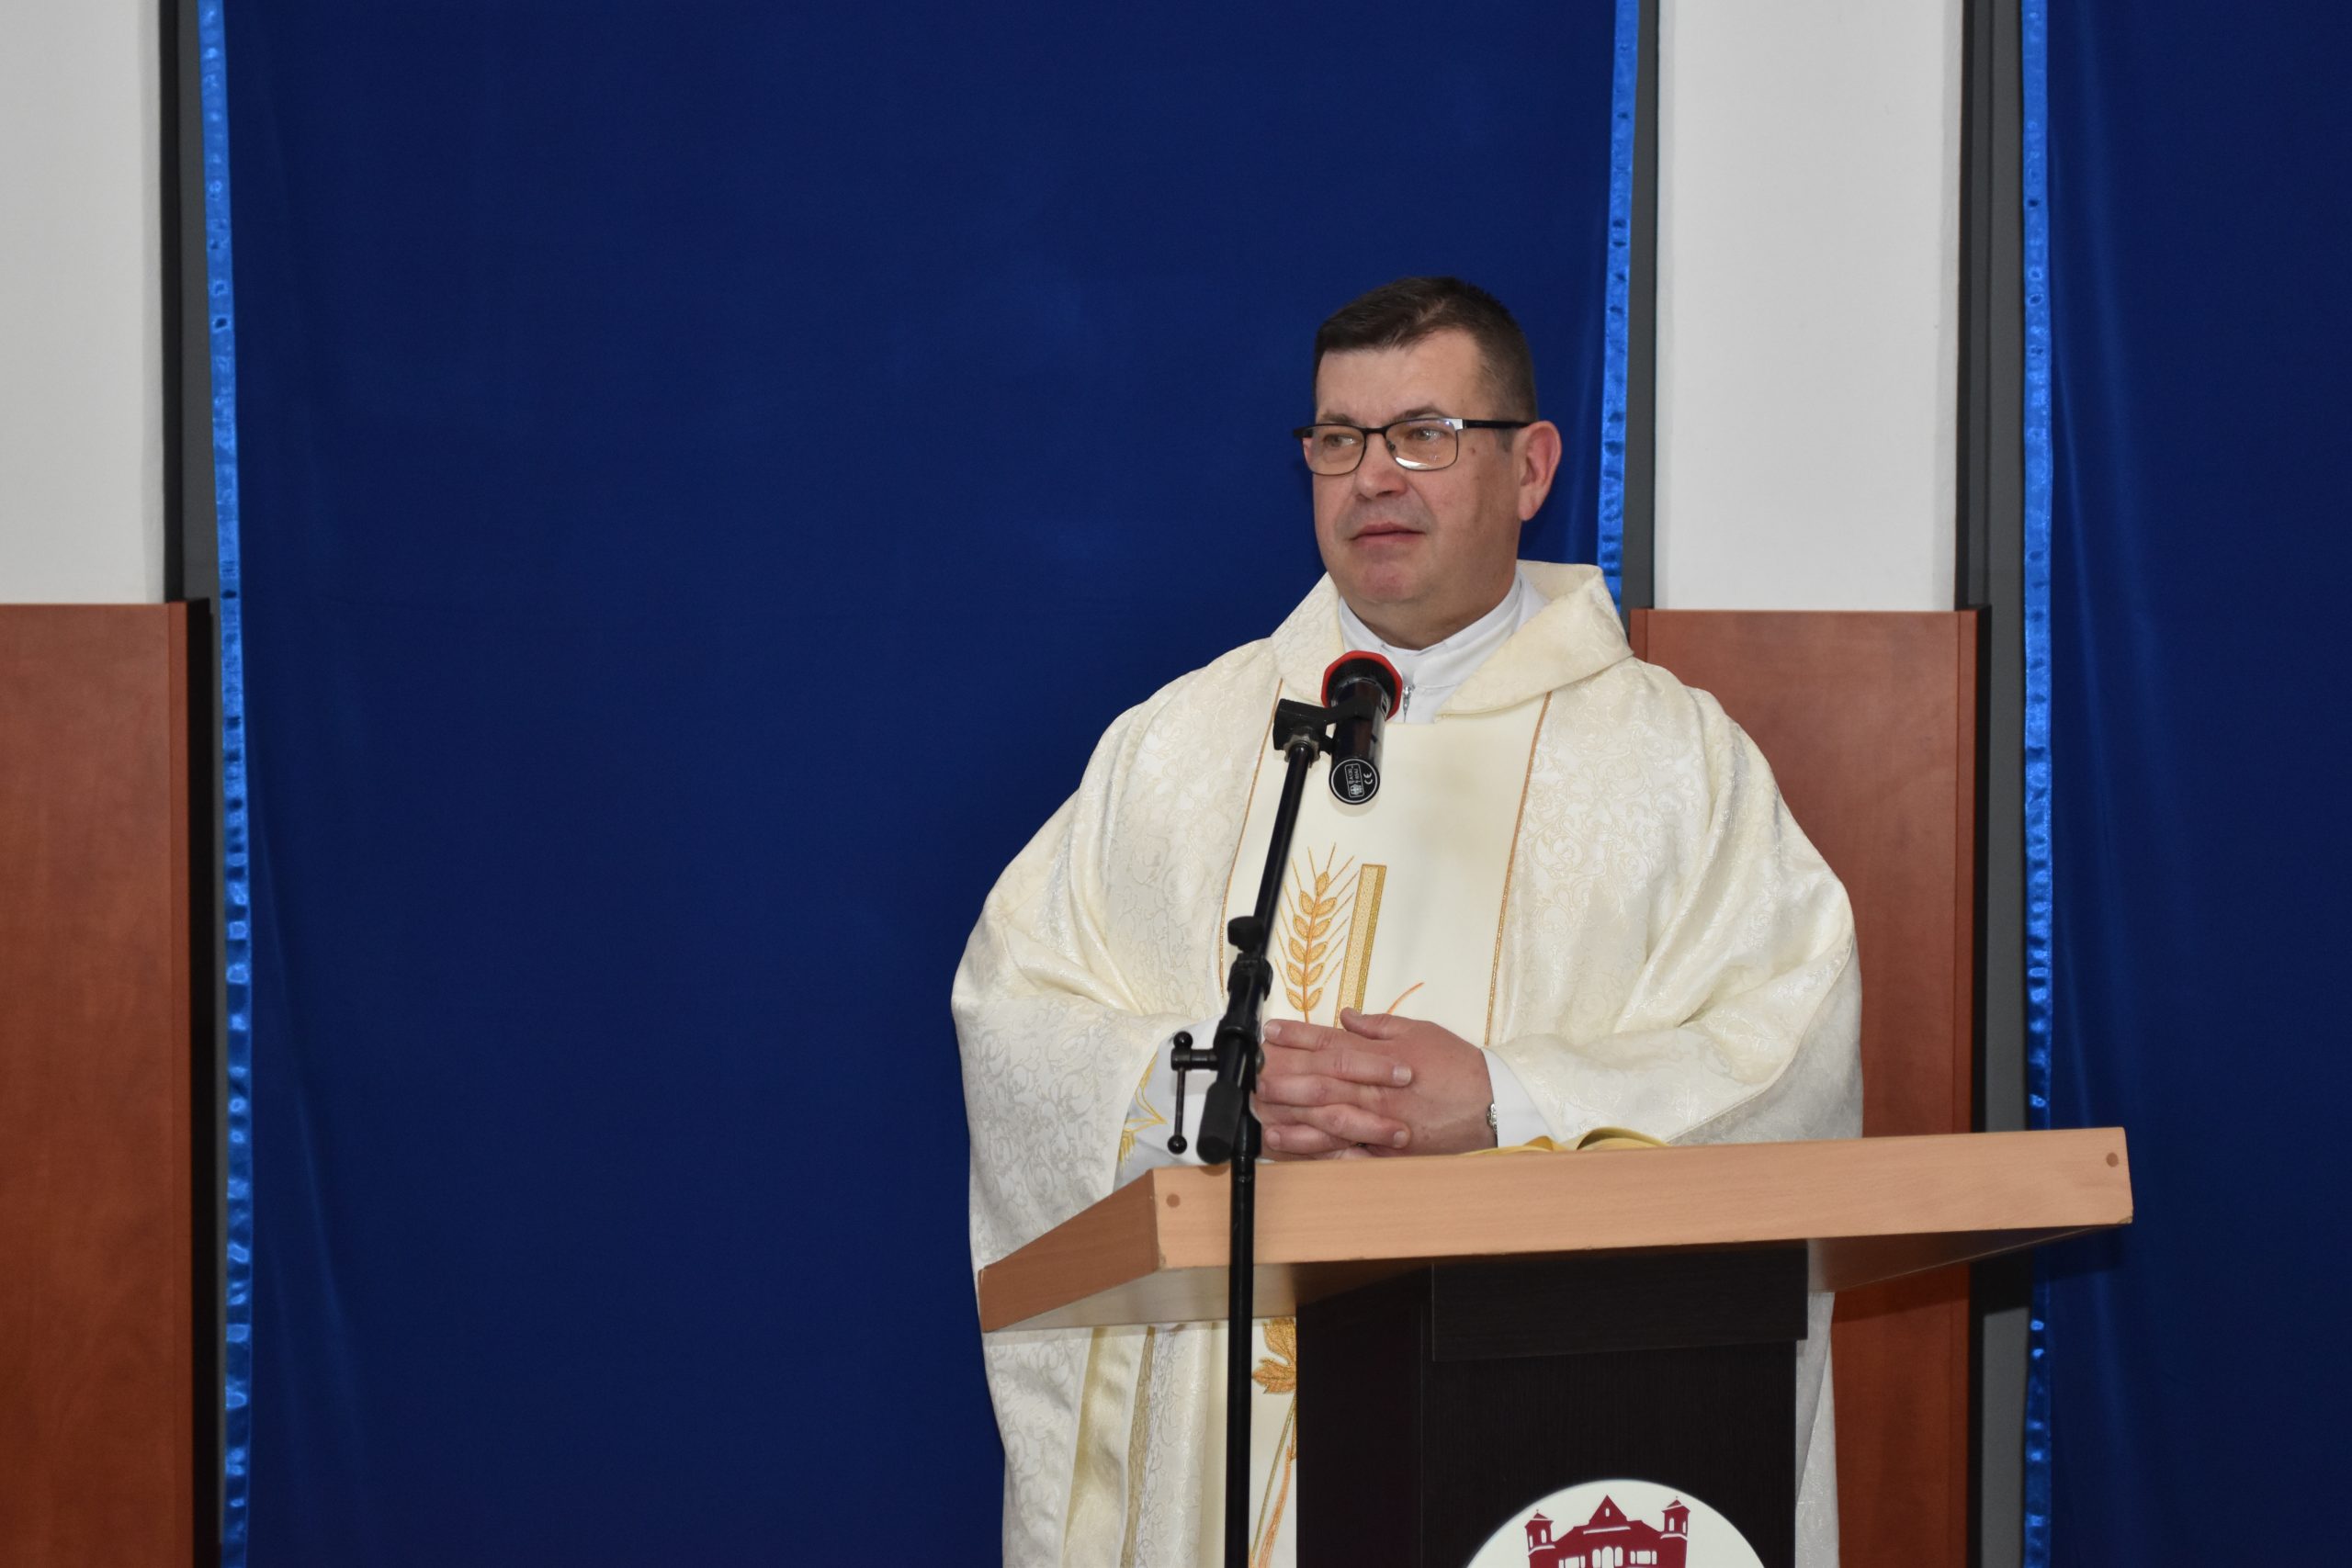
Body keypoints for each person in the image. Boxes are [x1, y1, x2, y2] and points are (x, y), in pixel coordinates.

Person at [955, 276, 1860, 1567]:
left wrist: (1505, 1103)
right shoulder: (1180, 747)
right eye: (1339, 439)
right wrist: (1205, 1091)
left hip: (1539, 1431)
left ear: (1530, 468)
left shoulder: (1673, 766)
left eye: (1425, 434)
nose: (1374, 477)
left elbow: (1789, 1057)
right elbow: (1014, 1007)